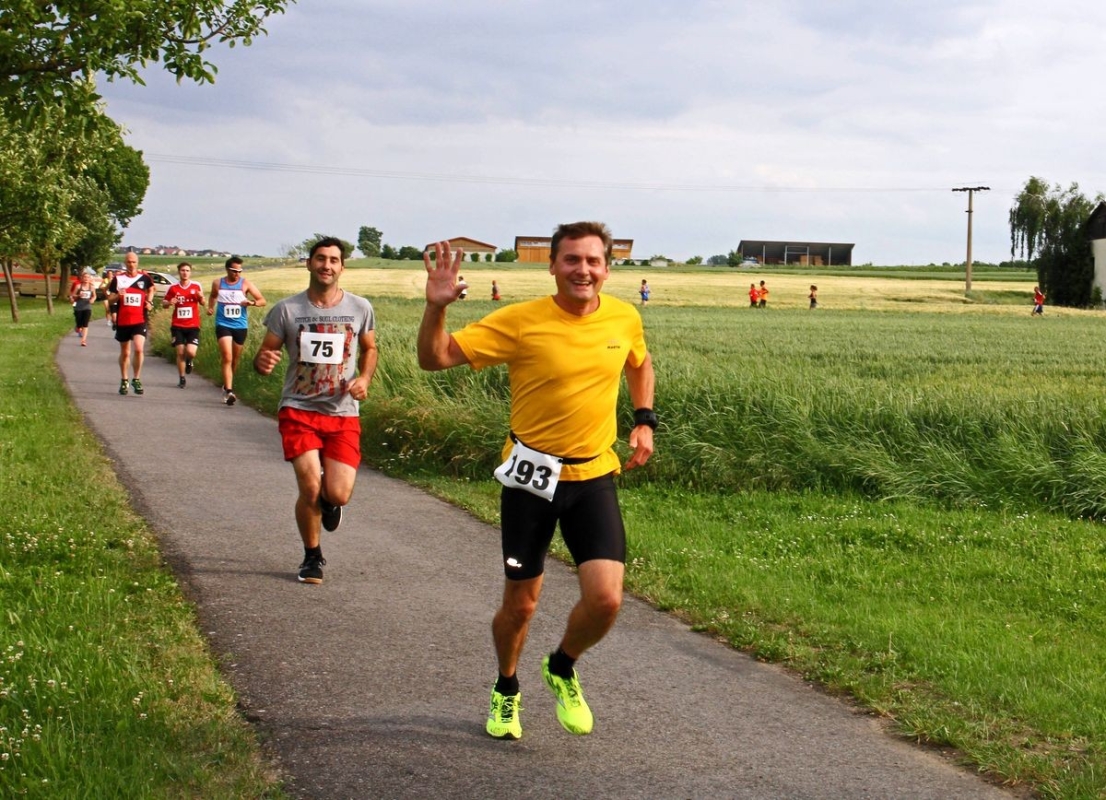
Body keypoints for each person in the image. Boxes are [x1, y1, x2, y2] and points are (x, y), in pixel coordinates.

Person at [418, 221, 656, 742]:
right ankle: (506, 686)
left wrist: (644, 419)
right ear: (552, 266)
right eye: (571, 259)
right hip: (531, 480)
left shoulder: (624, 316)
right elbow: (434, 359)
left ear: (607, 269)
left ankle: (562, 665)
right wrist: (436, 308)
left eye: (592, 261)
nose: (582, 270)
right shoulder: (521, 321)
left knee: (607, 599)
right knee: (521, 604)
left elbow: (639, 362)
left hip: (593, 474)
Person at [253, 237, 378, 585]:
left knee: (338, 493)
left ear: (342, 267)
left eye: (334, 260)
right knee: (309, 486)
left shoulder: (360, 307)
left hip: (343, 412)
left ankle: (329, 502)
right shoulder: (286, 310)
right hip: (298, 409)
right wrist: (262, 362)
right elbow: (265, 354)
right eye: (320, 259)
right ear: (309, 264)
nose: (327, 265)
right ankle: (312, 556)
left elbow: (370, 349)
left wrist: (364, 378)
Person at [207, 256, 266, 406]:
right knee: (227, 356)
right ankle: (229, 391)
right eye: (234, 271)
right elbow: (213, 296)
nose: (237, 274)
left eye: (240, 271)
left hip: (240, 326)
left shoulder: (245, 284)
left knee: (234, 360)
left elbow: (262, 300)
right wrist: (211, 307)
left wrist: (251, 302)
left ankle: (227, 384)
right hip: (223, 324)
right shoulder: (218, 283)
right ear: (227, 269)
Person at [107, 251, 155, 395]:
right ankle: (124, 379)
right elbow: (110, 299)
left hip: (139, 320)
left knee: (139, 349)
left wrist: (149, 301)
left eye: (134, 262)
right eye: (128, 262)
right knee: (126, 352)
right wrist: (117, 296)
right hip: (123, 320)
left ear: (137, 263)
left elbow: (151, 289)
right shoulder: (118, 279)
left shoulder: (144, 278)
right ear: (125, 263)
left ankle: (136, 379)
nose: (131, 264)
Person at [162, 262, 206, 388]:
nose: (185, 273)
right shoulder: (173, 288)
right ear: (179, 272)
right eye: (182, 270)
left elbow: (203, 302)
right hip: (178, 325)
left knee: (191, 352)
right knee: (180, 352)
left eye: (187, 270)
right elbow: (164, 304)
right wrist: (169, 302)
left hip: (193, 325)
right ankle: (182, 378)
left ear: (190, 272)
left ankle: (189, 361)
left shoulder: (196, 286)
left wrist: (201, 297)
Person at [69, 267, 97, 346]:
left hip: (87, 307)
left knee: (85, 324)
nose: (86, 279)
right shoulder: (78, 286)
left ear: (90, 279)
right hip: (78, 307)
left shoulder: (91, 287)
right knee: (79, 323)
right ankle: (78, 327)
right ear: (82, 278)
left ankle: (83, 340)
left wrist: (92, 300)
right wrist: (78, 295)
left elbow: (94, 296)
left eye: (88, 277)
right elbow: (72, 295)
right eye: (85, 277)